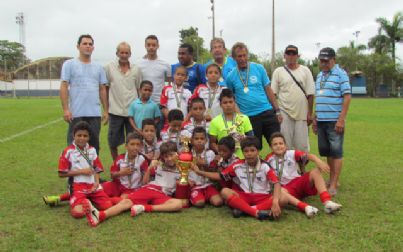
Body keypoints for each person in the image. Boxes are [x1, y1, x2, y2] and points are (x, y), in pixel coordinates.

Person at [192, 136, 316, 220]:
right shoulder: (237, 165)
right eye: (246, 151)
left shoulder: (265, 166)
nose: (249, 153)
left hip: (262, 197)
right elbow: (220, 176)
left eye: (252, 150)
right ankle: (256, 213)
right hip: (244, 196)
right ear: (243, 153)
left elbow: (277, 184)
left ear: (258, 151)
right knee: (225, 192)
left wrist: (274, 202)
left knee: (282, 198)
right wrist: (200, 172)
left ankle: (244, 211)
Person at [85, 142, 184, 227]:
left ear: (177, 154)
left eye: (171, 155)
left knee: (178, 204)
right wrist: (149, 169)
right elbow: (145, 183)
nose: (169, 159)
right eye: (166, 156)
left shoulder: (183, 168)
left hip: (164, 195)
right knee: (127, 203)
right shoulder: (159, 166)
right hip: (151, 189)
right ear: (163, 157)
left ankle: (144, 207)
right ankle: (101, 215)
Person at [265, 132, 342, 214]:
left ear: (285, 145)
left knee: (315, 172)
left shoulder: (292, 153)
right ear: (271, 147)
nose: (279, 146)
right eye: (275, 144)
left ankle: (327, 202)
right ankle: (306, 207)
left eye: (281, 143)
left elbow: (308, 156)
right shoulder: (269, 159)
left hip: (298, 183)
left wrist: (317, 160)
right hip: (286, 189)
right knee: (280, 191)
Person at [226, 42, 281, 150]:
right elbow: (232, 99)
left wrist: (277, 110)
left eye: (244, 55)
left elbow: (268, 89)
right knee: (253, 149)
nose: (242, 58)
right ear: (233, 58)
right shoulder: (230, 77)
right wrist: (241, 116)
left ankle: (279, 167)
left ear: (247, 55)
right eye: (239, 56)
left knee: (277, 144)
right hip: (249, 117)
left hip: (267, 112)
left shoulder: (259, 68)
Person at [60, 34, 108, 154]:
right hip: (76, 113)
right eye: (84, 44)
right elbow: (64, 86)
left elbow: (102, 89)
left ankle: (93, 171)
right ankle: (75, 171)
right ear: (78, 46)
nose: (87, 46)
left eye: (90, 44)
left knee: (94, 147)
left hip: (94, 114)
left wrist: (106, 110)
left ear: (93, 47)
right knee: (74, 147)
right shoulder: (69, 65)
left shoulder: (99, 67)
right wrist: (66, 109)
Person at [313, 47, 351, 196]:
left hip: (334, 121)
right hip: (321, 120)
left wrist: (341, 119)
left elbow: (347, 97)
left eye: (326, 61)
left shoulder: (341, 74)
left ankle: (334, 183)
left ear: (333, 60)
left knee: (336, 152)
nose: (323, 64)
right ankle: (332, 178)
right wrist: (315, 118)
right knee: (326, 150)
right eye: (321, 61)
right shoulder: (320, 75)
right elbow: (319, 98)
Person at [58, 121, 112, 218]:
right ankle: (80, 199)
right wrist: (81, 171)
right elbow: (61, 174)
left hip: (93, 186)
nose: (82, 138)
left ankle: (87, 200)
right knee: (78, 213)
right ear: (73, 135)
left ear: (89, 137)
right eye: (79, 135)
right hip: (77, 186)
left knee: (107, 206)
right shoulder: (68, 151)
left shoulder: (92, 150)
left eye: (85, 136)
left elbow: (97, 169)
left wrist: (96, 182)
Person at [271, 45, 315, 152]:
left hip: (302, 113)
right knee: (285, 144)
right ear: (284, 56)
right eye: (288, 54)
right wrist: (277, 112)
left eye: (293, 54)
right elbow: (273, 94)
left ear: (298, 56)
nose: (291, 57)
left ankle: (302, 168)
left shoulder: (305, 70)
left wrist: (310, 113)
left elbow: (310, 94)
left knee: (302, 145)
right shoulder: (278, 71)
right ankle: (287, 168)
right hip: (284, 112)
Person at [104, 41, 142, 159]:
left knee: (135, 141)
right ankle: (117, 163)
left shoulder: (136, 69)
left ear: (130, 54)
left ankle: (134, 164)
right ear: (117, 53)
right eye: (122, 52)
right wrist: (105, 109)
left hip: (132, 112)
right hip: (115, 111)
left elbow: (139, 89)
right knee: (113, 141)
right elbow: (105, 88)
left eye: (126, 52)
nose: (124, 55)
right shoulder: (109, 68)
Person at [101, 133, 149, 200]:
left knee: (124, 198)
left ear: (141, 147)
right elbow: (112, 175)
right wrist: (121, 173)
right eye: (132, 144)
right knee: (102, 187)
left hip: (134, 189)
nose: (135, 147)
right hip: (119, 186)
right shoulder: (120, 158)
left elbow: (145, 182)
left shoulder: (142, 160)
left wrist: (149, 169)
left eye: (138, 145)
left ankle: (112, 201)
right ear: (126, 146)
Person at [209, 89, 253, 158]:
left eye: (230, 102)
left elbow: (252, 139)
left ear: (234, 103)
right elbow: (212, 143)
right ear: (220, 104)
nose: (228, 105)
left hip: (243, 158)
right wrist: (222, 152)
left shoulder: (244, 118)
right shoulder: (215, 121)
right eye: (225, 103)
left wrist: (243, 138)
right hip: (225, 160)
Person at [188, 127, 223, 207]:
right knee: (200, 204)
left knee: (218, 202)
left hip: (208, 184)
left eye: (202, 138)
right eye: (196, 139)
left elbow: (214, 171)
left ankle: (207, 196)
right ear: (192, 140)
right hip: (195, 186)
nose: (199, 141)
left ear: (206, 140)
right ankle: (196, 196)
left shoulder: (210, 153)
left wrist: (203, 165)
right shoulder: (188, 154)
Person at [137, 35, 172, 105]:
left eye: (153, 45)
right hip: (143, 102)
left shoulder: (166, 64)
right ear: (145, 46)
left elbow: (169, 85)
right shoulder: (138, 64)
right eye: (148, 45)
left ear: (158, 46)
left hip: (160, 103)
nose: (151, 47)